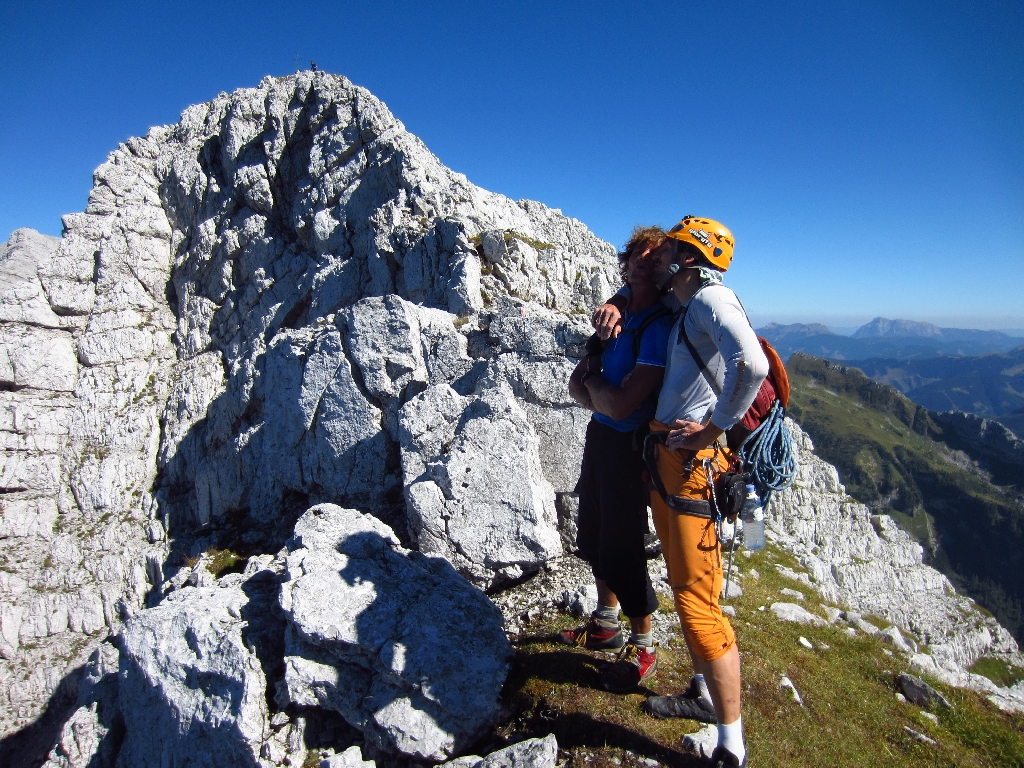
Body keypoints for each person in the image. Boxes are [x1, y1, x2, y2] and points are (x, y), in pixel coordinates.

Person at [592, 216, 767, 768]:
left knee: (697, 603)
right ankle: (701, 693)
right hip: (669, 458)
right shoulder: (685, 301)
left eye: (669, 250)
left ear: (687, 258)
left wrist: (714, 429)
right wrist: (620, 301)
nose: (659, 258)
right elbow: (638, 289)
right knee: (680, 577)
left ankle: (730, 746)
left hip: (694, 464)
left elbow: (753, 364)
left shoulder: (712, 301)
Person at [562, 226, 674, 692]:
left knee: (623, 544)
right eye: (637, 254)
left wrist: (597, 390)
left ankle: (644, 644)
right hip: (600, 437)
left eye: (655, 254)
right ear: (626, 263)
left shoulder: (660, 325)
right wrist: (600, 394)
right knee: (591, 531)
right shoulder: (618, 311)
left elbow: (626, 405)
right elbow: (576, 386)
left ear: (667, 266)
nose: (644, 259)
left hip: (631, 447)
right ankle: (607, 622)